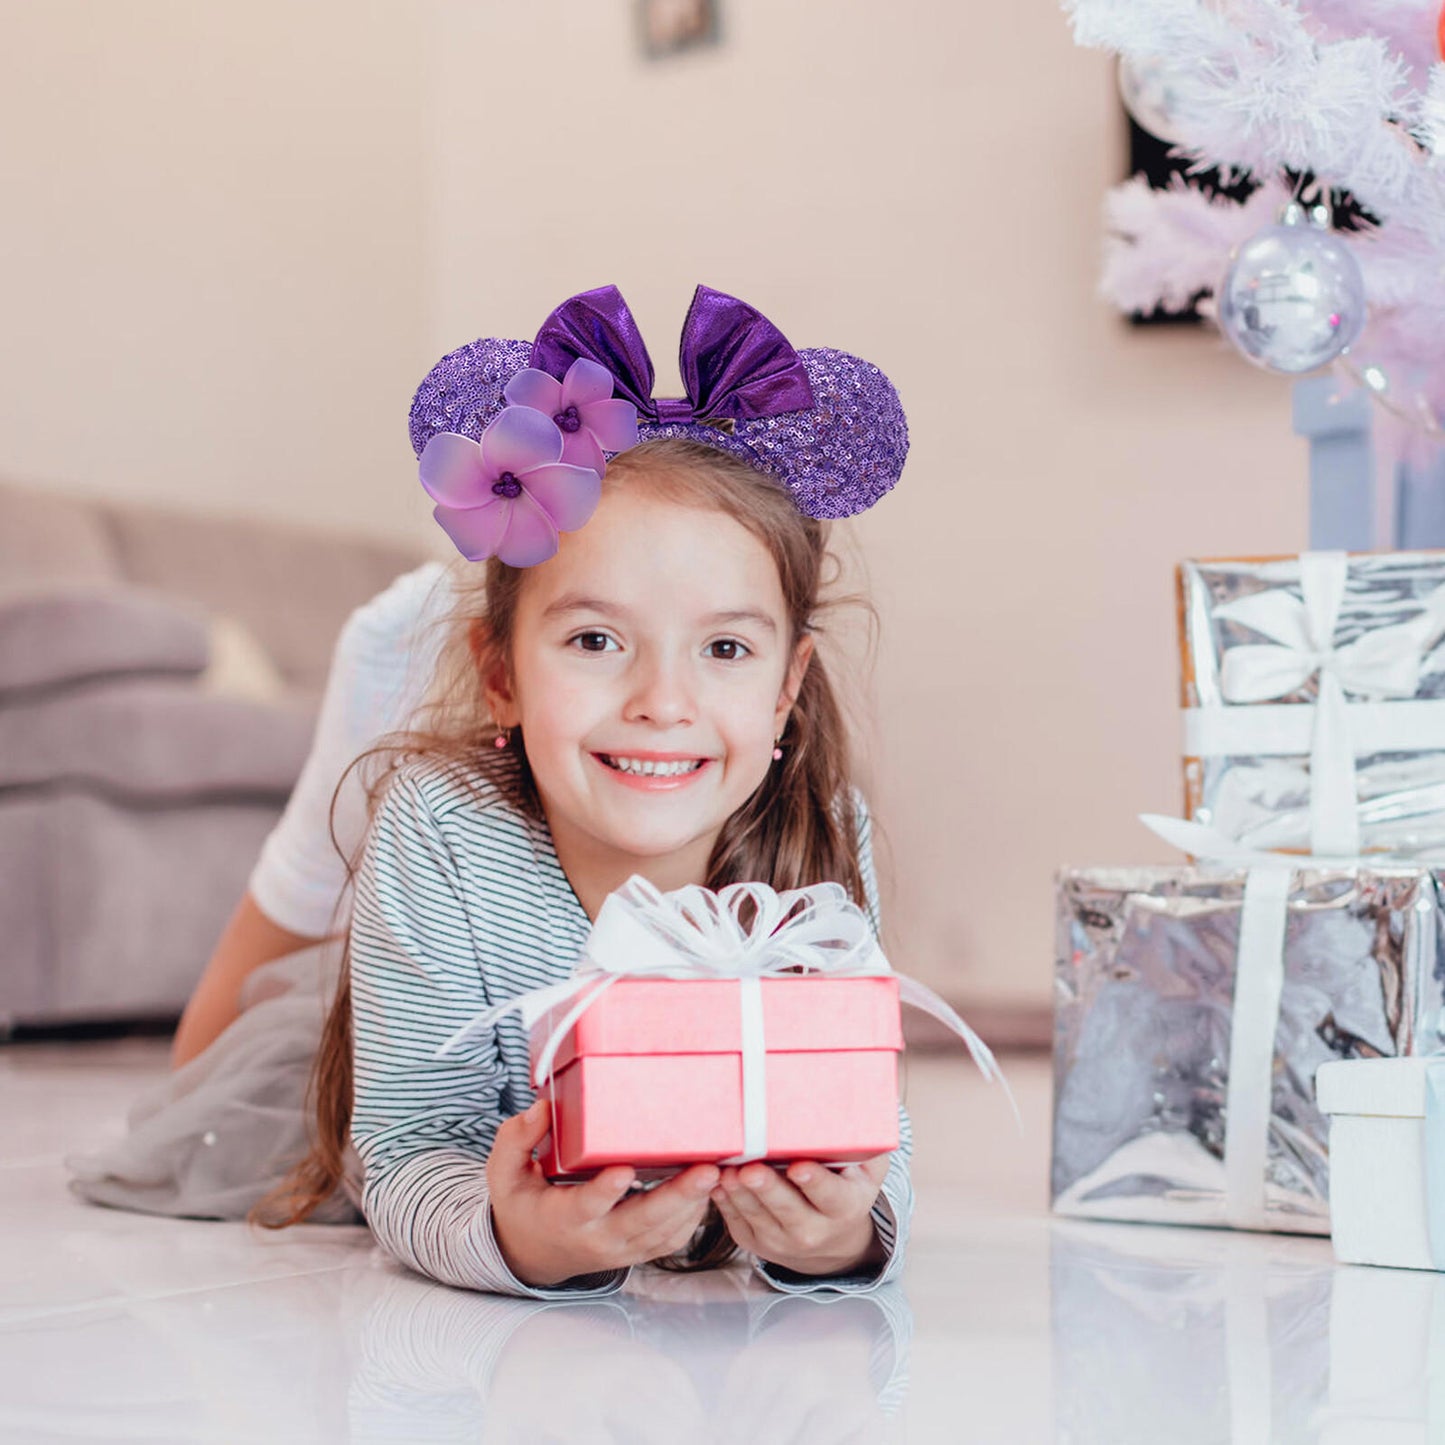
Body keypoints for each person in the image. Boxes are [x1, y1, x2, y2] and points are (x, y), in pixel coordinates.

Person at [69, 283, 915, 1299]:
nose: (661, 701)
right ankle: (367, 705)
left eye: (725, 647)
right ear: (502, 674)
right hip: (382, 1038)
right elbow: (408, 1144)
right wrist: (517, 1240)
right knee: (212, 1109)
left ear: (787, 687)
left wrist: (836, 1239)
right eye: (595, 640)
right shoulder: (437, 827)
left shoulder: (826, 834)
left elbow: (874, 1145)